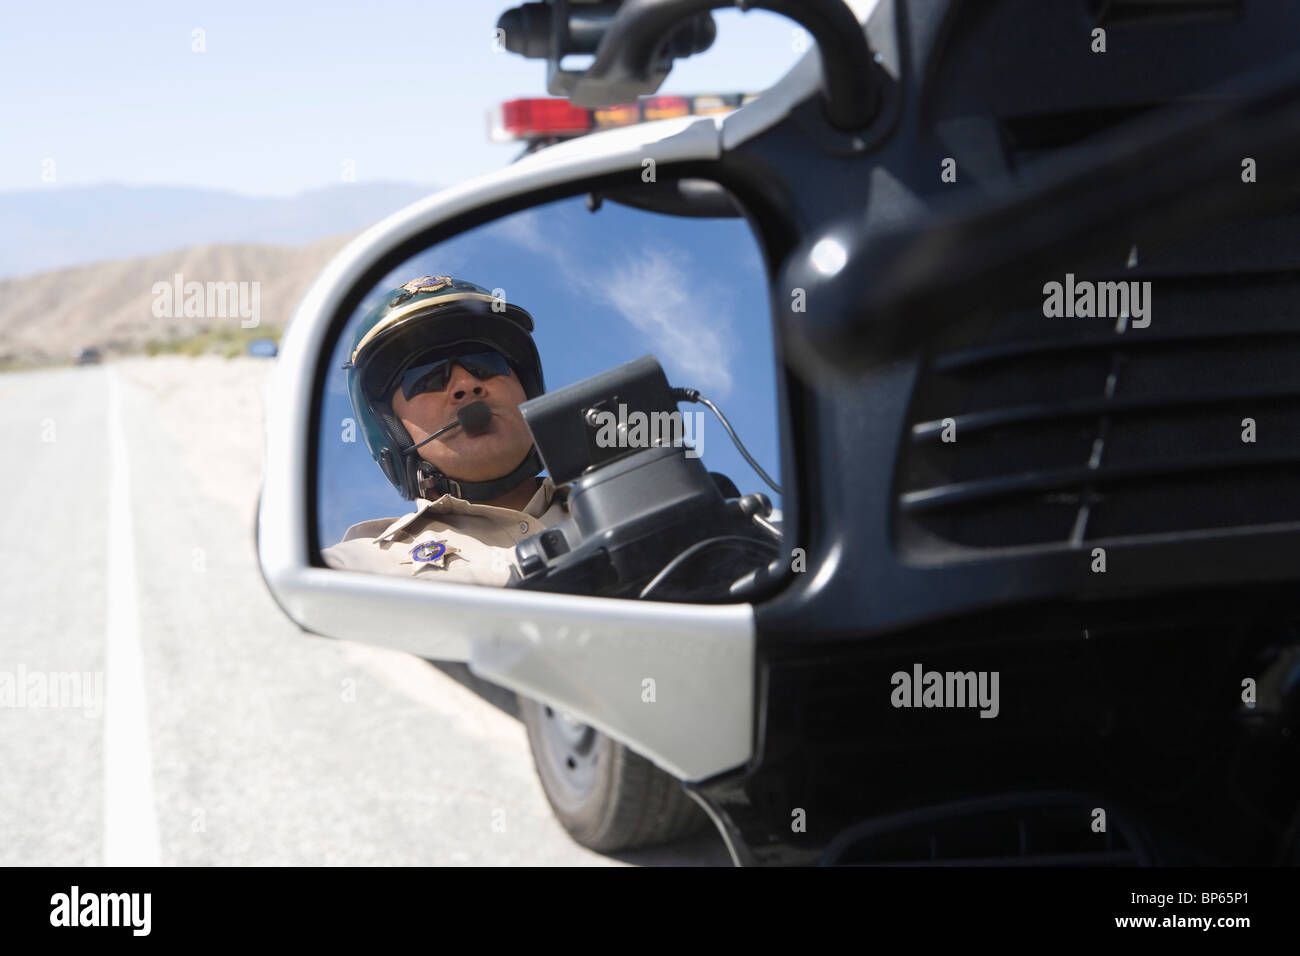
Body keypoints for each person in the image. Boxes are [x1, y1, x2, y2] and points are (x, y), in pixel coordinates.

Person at [321, 274, 568, 585]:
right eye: (427, 377)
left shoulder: (638, 489)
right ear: (392, 430)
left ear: (527, 390)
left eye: (486, 362)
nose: (466, 384)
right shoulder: (353, 569)